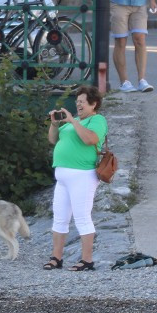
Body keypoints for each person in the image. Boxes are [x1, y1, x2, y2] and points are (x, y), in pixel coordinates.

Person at [43, 85, 108, 272]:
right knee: (60, 218)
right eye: (77, 101)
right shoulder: (76, 121)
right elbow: (53, 140)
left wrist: (72, 121)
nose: (78, 105)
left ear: (93, 104)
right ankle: (56, 257)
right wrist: (55, 125)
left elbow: (91, 139)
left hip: (83, 175)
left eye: (82, 102)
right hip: (63, 175)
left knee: (82, 217)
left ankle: (87, 260)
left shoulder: (97, 120)